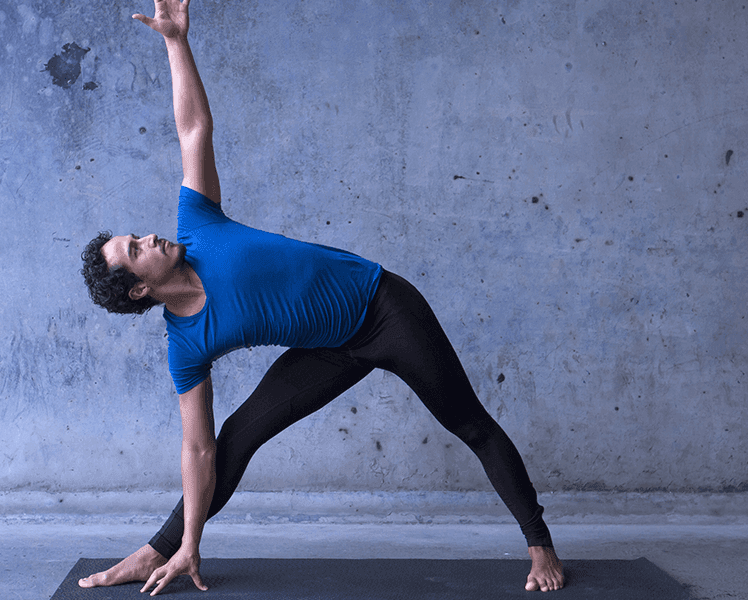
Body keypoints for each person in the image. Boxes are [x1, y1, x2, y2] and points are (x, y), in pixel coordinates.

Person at [77, 0, 565, 594]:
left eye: (136, 235)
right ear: (139, 288)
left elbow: (193, 130)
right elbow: (198, 447)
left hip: (385, 308)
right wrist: (189, 545)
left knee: (469, 424)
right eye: (136, 248)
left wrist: (176, 43)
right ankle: (158, 553)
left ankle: (540, 546)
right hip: (329, 349)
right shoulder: (185, 345)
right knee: (237, 436)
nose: (148, 236)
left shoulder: (198, 222)